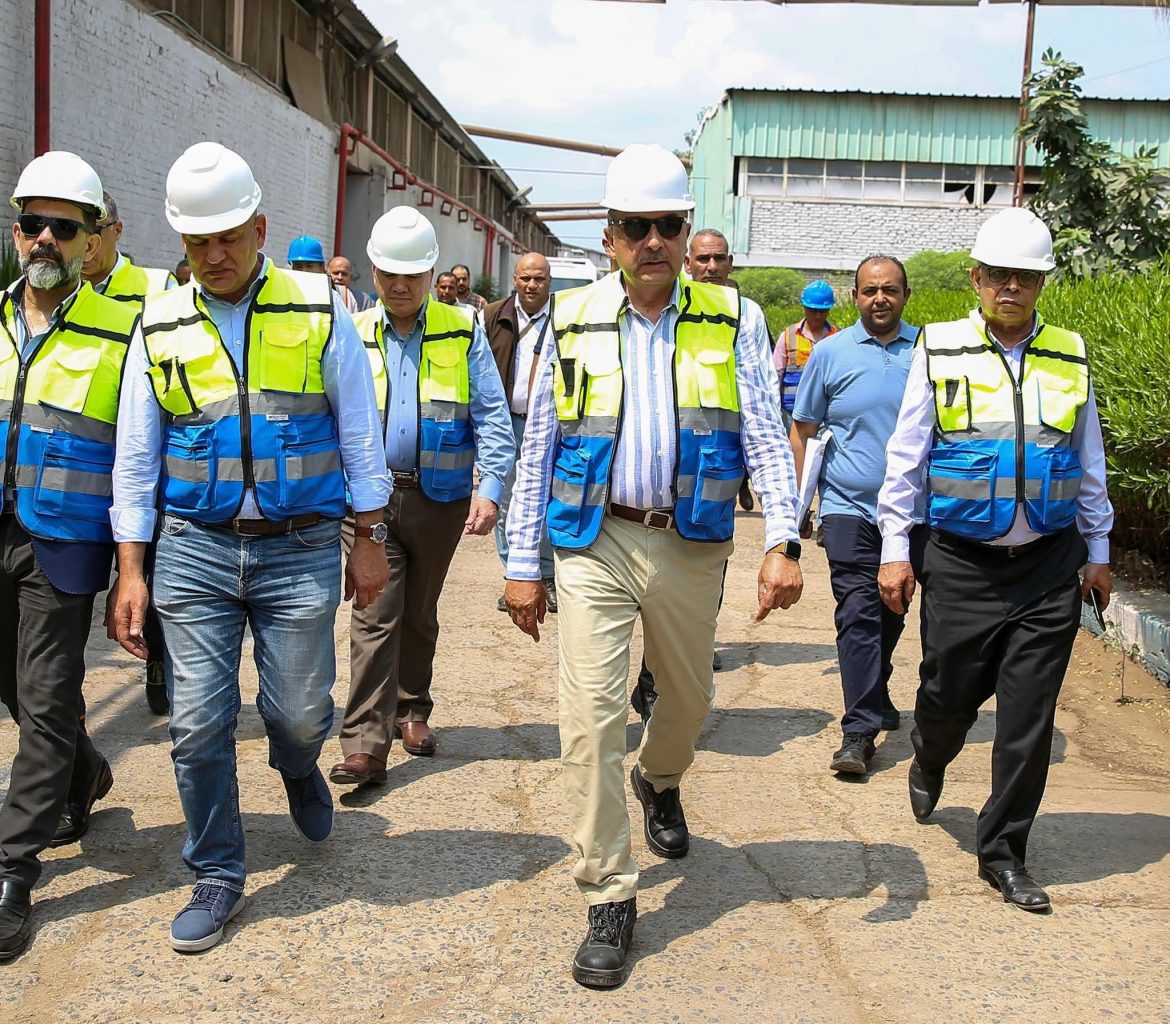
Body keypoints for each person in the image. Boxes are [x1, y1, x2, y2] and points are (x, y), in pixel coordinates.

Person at [503, 144, 802, 988]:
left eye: (666, 226)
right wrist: (523, 562)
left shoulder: (733, 318)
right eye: (635, 228)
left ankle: (660, 779)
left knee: (687, 699)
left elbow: (764, 441)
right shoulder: (570, 317)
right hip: (593, 540)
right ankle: (608, 892)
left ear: (686, 231)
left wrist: (783, 539)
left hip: (691, 538)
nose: (653, 242)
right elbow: (540, 447)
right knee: (589, 718)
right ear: (609, 237)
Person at [111, 142, 390, 952]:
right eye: (198, 242)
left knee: (299, 714)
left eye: (229, 236)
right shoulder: (158, 320)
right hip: (193, 547)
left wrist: (367, 538)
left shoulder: (314, 308)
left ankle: (298, 765)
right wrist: (131, 569)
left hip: (299, 544)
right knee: (197, 723)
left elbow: (358, 431)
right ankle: (218, 872)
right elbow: (137, 455)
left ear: (260, 227)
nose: (215, 254)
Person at [877, 208, 1114, 912]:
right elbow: (907, 456)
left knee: (1027, 716)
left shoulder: (1069, 352)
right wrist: (896, 549)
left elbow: (1088, 460)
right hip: (960, 562)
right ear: (977, 280)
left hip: (1047, 564)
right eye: (999, 275)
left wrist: (1098, 552)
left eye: (1026, 276)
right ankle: (930, 750)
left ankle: (1004, 852)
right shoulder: (940, 348)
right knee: (948, 694)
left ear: (1041, 283)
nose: (1011, 286)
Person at [0, 152, 137, 960]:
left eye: (64, 226)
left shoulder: (123, 333)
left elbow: (134, 457)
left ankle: (14, 869)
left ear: (92, 242)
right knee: (11, 687)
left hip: (64, 542)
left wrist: (132, 567)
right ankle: (83, 772)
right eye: (32, 223)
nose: (45, 238)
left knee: (46, 696)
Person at [328, 207, 512, 783]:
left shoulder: (464, 330)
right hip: (369, 501)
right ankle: (364, 742)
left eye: (413, 274)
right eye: (389, 274)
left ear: (432, 273)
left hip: (440, 498)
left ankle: (413, 706)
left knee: (420, 612)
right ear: (373, 272)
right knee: (374, 611)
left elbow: (491, 415)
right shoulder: (350, 331)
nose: (401, 286)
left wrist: (491, 487)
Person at [790, 255, 924, 777]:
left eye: (889, 290)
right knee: (858, 611)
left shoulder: (929, 353)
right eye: (869, 291)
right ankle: (860, 730)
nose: (879, 299)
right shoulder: (829, 353)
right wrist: (799, 505)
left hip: (913, 512)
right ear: (855, 296)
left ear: (906, 295)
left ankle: (878, 682)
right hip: (847, 505)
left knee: (894, 606)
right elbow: (803, 429)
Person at [82, 189, 177, 716]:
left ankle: (158, 657)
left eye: (97, 227)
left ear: (117, 232)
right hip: (83, 455)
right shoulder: (51, 290)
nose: (87, 242)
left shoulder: (156, 287)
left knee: (148, 566)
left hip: (143, 449)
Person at [481, 252, 557, 614]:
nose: (531, 285)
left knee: (546, 497)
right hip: (504, 422)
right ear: (515, 279)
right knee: (505, 500)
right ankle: (514, 572)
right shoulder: (493, 315)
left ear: (549, 281)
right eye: (525, 278)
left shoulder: (564, 315)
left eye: (539, 279)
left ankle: (545, 575)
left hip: (549, 423)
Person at [684, 228, 759, 514]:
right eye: (703, 259)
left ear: (730, 262)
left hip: (725, 445)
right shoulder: (672, 310)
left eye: (718, 258)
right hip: (684, 444)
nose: (712, 267)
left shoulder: (746, 314)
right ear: (688, 264)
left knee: (710, 532)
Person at [775, 279, 838, 421]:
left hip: (826, 416)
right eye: (813, 310)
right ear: (804, 307)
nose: (817, 315)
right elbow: (775, 376)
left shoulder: (838, 337)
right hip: (790, 414)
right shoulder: (788, 336)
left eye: (822, 311)